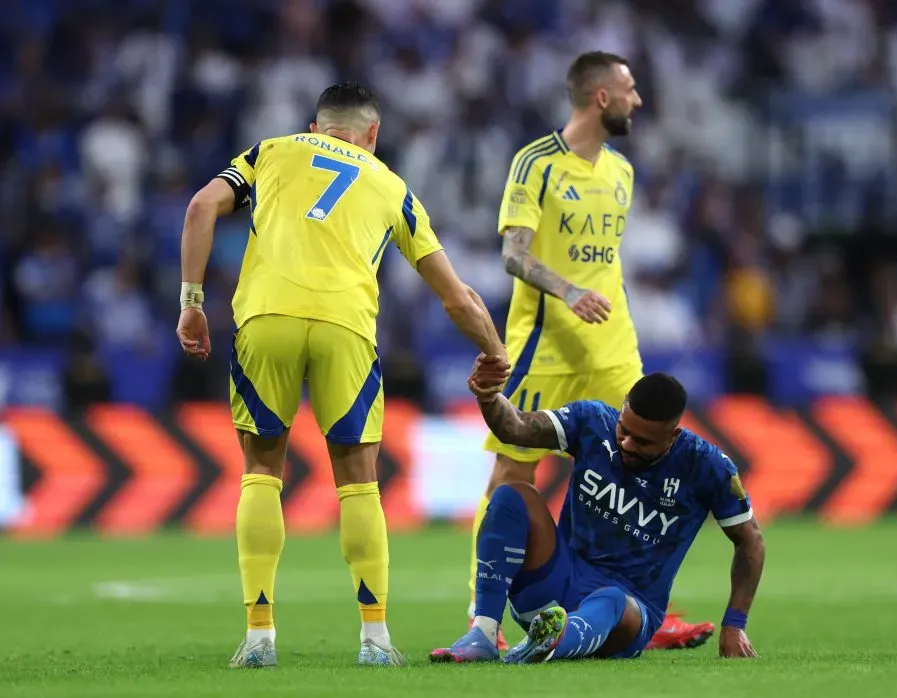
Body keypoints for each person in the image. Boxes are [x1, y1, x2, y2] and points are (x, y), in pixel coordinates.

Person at [175, 83, 509, 668]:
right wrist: (493, 349)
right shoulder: (391, 186)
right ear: (372, 134)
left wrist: (193, 301)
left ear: (316, 125)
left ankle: (258, 637)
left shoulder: (271, 152)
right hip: (345, 327)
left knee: (261, 470)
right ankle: (375, 640)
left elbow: (202, 206)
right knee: (358, 479)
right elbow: (455, 295)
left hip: (267, 317)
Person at [466, 50, 713, 649]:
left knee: (644, 471)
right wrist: (569, 290)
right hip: (544, 347)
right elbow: (514, 254)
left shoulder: (622, 173)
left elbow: (607, 264)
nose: (639, 99)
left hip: (613, 348)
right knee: (511, 475)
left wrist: (599, 299)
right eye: (630, 89)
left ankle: (650, 608)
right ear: (602, 97)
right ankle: (485, 620)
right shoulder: (537, 163)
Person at [433, 359, 764, 663]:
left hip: (629, 614)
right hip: (556, 584)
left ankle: (548, 644)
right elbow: (516, 427)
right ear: (621, 410)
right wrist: (489, 396)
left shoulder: (706, 466)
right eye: (624, 430)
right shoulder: (592, 421)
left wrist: (734, 625)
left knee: (613, 600)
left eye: (643, 441)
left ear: (672, 436)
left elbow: (750, 541)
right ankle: (483, 634)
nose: (627, 444)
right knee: (512, 496)